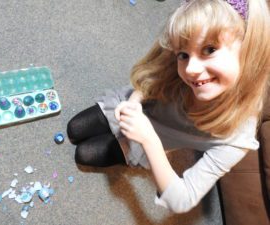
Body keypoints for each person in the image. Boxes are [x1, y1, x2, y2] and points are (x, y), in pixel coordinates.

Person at [67, 0, 270, 213]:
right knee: (75, 128)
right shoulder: (186, 65)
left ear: (250, 51)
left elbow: (182, 199)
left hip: (149, 140)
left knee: (84, 154)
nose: (191, 69)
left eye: (209, 50)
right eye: (183, 55)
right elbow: (152, 78)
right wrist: (134, 103)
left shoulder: (237, 138)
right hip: (140, 106)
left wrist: (148, 139)